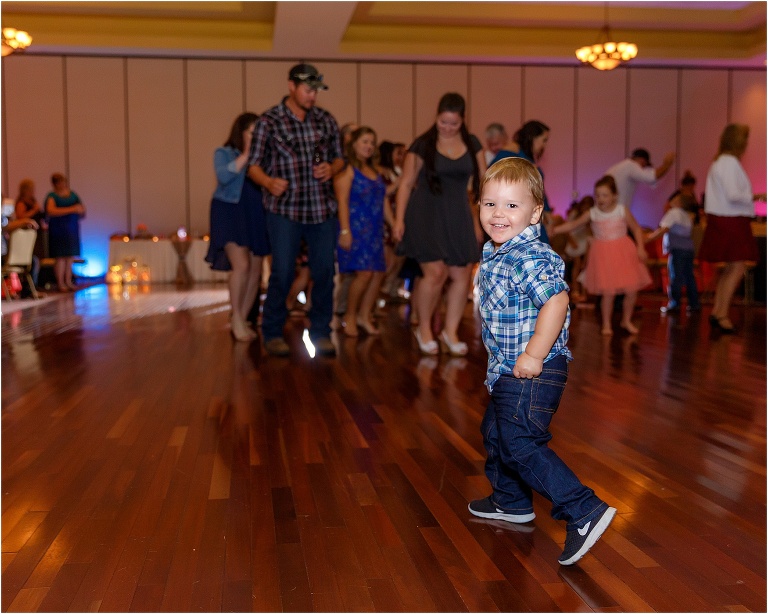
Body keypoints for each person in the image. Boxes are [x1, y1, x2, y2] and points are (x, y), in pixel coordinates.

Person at [471, 156, 616, 566]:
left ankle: (582, 508)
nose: (499, 214)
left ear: (535, 212)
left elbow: (556, 299)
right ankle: (512, 501)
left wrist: (534, 353)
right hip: (508, 369)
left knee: (519, 443)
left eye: (512, 206)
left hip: (534, 368)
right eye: (489, 204)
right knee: (496, 431)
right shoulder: (498, 251)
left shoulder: (529, 255)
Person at [247, 63, 343, 357]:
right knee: (283, 272)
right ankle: (272, 332)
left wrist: (332, 167)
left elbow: (340, 159)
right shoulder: (270, 121)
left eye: (315, 90)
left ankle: (321, 332)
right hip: (284, 210)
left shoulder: (326, 120)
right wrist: (267, 181)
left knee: (325, 271)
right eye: (307, 89)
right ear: (291, 86)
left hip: (321, 209)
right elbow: (253, 166)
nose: (312, 96)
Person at [393, 92, 485, 356]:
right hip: (426, 212)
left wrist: (485, 217)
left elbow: (484, 182)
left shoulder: (472, 142)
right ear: (436, 117)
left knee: (461, 273)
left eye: (453, 123)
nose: (446, 128)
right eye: (442, 122)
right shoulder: (423, 144)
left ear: (462, 121)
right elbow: (407, 183)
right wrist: (399, 219)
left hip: (458, 213)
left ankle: (450, 331)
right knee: (434, 273)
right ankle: (423, 328)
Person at [550, 175, 651, 336]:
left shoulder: (621, 210)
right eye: (597, 195)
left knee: (632, 290)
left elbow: (636, 229)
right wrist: (555, 230)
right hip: (604, 256)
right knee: (608, 292)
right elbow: (573, 225)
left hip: (624, 252)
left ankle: (626, 319)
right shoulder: (593, 213)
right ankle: (606, 323)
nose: (600, 199)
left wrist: (640, 247)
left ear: (614, 196)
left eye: (605, 195)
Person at [205, 112, 270, 342]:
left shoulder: (266, 157)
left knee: (255, 268)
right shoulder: (224, 153)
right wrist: (247, 153)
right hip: (230, 210)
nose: (257, 136)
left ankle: (241, 317)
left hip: (256, 212)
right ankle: (236, 319)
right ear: (241, 132)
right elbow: (224, 177)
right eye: (253, 132)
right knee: (240, 265)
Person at [698, 124, 766, 333]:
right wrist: (757, 197)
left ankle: (719, 312)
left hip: (725, 218)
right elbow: (734, 194)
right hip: (731, 220)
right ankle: (722, 314)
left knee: (730, 269)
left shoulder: (720, 162)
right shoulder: (729, 163)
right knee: (736, 268)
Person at [334, 126, 390, 336]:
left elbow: (382, 200)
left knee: (377, 274)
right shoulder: (346, 170)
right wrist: (345, 231)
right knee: (364, 274)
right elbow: (342, 201)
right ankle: (349, 315)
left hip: (374, 230)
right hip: (355, 228)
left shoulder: (374, 171)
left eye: (371, 142)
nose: (369, 146)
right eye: (364, 141)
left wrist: (394, 224)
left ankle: (364, 315)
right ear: (354, 144)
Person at [491, 120, 553, 243]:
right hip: (516, 217)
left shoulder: (525, 156)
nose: (544, 145)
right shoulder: (509, 153)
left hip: (530, 217)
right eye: (544, 140)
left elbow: (539, 191)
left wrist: (547, 214)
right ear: (533, 137)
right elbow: (492, 181)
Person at [645, 193, 701, 314]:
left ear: (679, 202)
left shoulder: (674, 213)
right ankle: (694, 303)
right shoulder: (687, 215)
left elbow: (664, 229)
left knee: (675, 276)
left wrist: (648, 239)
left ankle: (675, 304)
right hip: (688, 249)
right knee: (689, 277)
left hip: (677, 249)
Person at [44, 173, 85, 292]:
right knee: (60, 257)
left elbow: (82, 209)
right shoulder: (52, 196)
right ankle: (60, 282)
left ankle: (68, 281)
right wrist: (72, 209)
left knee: (70, 257)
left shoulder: (73, 195)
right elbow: (50, 211)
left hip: (71, 230)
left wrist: (79, 211)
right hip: (58, 230)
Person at [604, 148, 675, 214]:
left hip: (606, 210)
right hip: (616, 212)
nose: (643, 169)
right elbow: (651, 177)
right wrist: (667, 164)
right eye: (645, 166)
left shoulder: (618, 167)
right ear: (643, 161)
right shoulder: (631, 165)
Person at [14, 178, 46, 289]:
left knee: (37, 259)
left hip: (36, 234)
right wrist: (34, 210)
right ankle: (29, 285)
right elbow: (20, 217)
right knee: (31, 259)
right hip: (26, 236)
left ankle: (35, 284)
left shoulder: (33, 200)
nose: (33, 191)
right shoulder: (21, 202)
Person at [563, 195, 594, 302]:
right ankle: (576, 290)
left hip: (585, 243)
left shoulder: (591, 217)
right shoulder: (575, 215)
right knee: (577, 265)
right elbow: (567, 229)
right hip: (575, 242)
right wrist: (572, 242)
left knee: (584, 266)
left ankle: (583, 292)